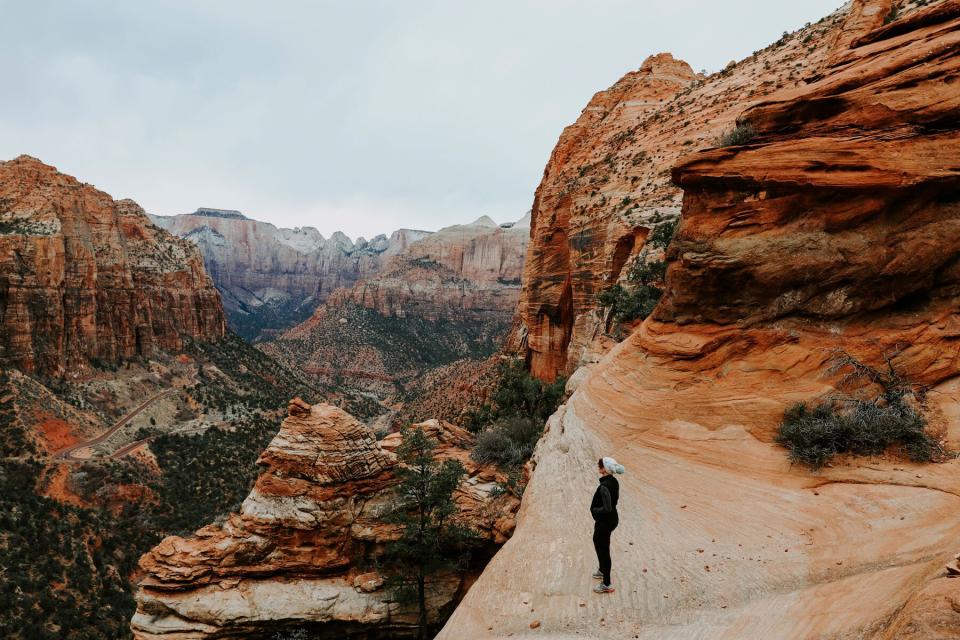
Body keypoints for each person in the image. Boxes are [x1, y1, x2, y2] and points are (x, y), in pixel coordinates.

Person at [590, 456, 624, 594]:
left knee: (603, 549)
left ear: (604, 468)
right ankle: (602, 569)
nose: (598, 467)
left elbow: (607, 507)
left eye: (600, 465)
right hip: (611, 519)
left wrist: (594, 510)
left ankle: (607, 583)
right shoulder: (613, 481)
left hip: (606, 520)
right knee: (598, 542)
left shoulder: (604, 486)